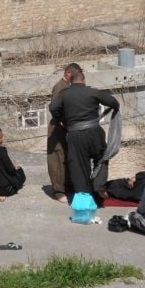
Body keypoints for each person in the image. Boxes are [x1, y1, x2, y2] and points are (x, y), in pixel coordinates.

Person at [49, 71, 120, 199]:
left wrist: (61, 118)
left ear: (71, 81)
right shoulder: (93, 92)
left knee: (79, 166)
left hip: (75, 135)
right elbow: (113, 102)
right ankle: (98, 185)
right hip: (94, 132)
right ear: (84, 80)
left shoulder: (64, 94)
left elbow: (53, 107)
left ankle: (84, 196)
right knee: (102, 157)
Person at [47, 63, 82, 203]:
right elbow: (56, 108)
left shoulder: (69, 87)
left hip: (68, 128)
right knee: (57, 159)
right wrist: (63, 121)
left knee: (67, 158)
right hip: (58, 129)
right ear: (68, 74)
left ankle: (67, 186)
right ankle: (58, 191)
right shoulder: (60, 87)